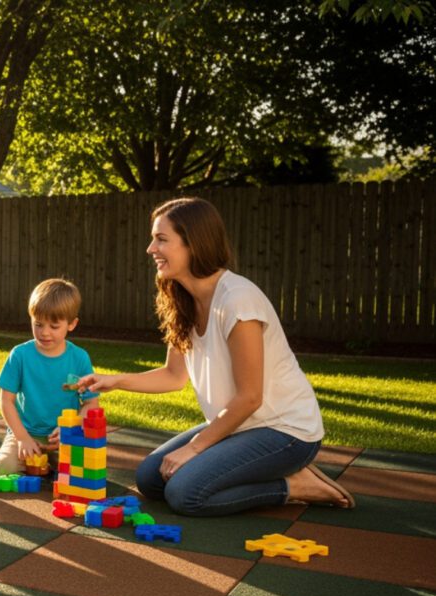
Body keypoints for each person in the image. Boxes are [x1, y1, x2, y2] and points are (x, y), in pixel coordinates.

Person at [76, 197, 354, 516]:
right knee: (151, 480)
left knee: (185, 494)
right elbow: (173, 376)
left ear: (193, 244)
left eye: (161, 239)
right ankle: (258, 469)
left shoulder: (238, 300)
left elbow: (250, 397)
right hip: (238, 427)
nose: (150, 249)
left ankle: (294, 485)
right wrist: (115, 381)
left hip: (285, 432)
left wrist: (194, 449)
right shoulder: (183, 300)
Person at [0, 278, 100, 475]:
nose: (44, 333)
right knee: (5, 468)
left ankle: (49, 464)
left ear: (72, 324)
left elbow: (91, 404)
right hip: (25, 433)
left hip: (64, 436)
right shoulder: (20, 355)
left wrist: (72, 428)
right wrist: (22, 437)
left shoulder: (79, 358)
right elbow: (6, 401)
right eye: (38, 324)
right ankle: (20, 456)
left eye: (54, 326)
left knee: (84, 472)